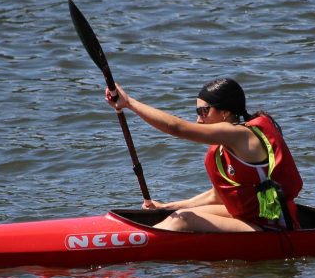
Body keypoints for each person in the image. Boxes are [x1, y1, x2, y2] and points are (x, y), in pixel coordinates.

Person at [105, 77, 303, 232]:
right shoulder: (226, 146)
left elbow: (176, 128)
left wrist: (129, 103)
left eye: (203, 111)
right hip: (250, 219)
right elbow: (216, 196)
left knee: (184, 220)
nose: (199, 120)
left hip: (273, 226)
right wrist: (166, 207)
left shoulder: (240, 134)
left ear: (225, 113)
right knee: (178, 214)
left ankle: (133, 250)